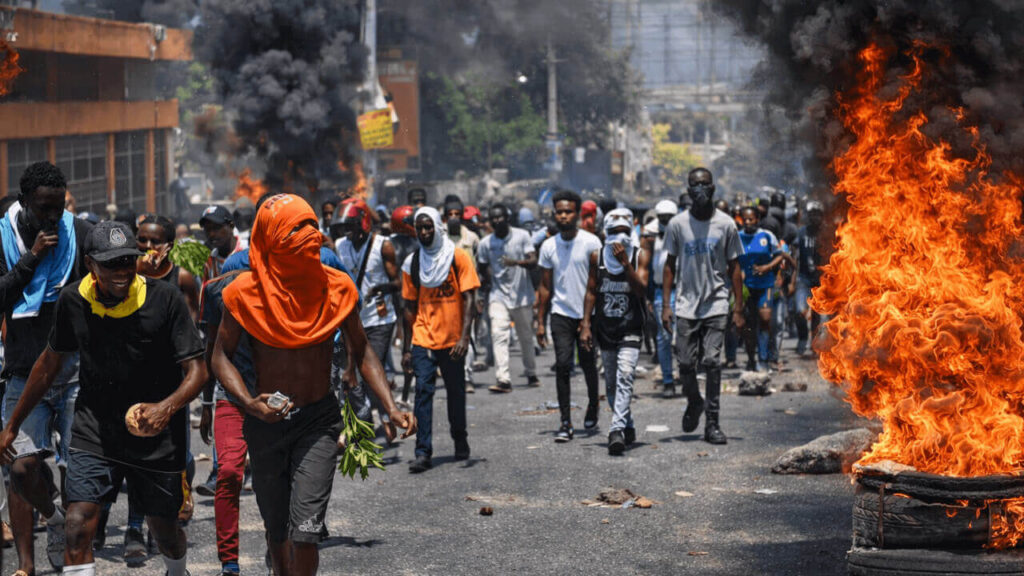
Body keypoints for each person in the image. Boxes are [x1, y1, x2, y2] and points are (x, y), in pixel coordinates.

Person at [211, 194, 414, 576]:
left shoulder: (337, 287)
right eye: (295, 228)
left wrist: (390, 405)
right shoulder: (242, 294)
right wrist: (250, 403)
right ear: (270, 237)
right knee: (277, 531)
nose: (310, 234)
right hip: (265, 425)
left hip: (318, 422)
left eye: (311, 225)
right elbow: (219, 356)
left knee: (305, 532)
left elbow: (363, 349)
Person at [0, 220, 207, 576]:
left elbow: (198, 372)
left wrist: (165, 408)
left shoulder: (165, 298)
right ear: (90, 263)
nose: (121, 271)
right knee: (78, 525)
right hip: (95, 427)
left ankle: (177, 571)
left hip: (155, 433)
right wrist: (12, 424)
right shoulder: (73, 301)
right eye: (110, 263)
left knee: (165, 530)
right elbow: (49, 365)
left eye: (127, 261)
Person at [0, 162, 91, 575]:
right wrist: (32, 259)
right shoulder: (1, 238)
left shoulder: (79, 234)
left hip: (75, 372)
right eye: (43, 209)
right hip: (23, 371)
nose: (53, 218)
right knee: (20, 470)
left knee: (80, 473)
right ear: (23, 203)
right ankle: (28, 559)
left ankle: (73, 556)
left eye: (59, 207)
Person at [662, 168, 744, 445]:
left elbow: (735, 267)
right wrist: (666, 305)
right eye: (695, 185)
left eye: (705, 184)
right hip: (686, 305)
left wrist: (739, 308)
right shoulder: (677, 224)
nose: (700, 189)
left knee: (712, 362)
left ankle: (712, 423)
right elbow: (669, 267)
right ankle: (694, 401)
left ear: (713, 187)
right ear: (688, 188)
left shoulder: (726, 224)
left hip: (717, 302)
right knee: (685, 364)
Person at [401, 207, 479, 473]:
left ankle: (460, 439)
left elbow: (470, 298)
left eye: (428, 227)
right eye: (419, 228)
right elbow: (409, 307)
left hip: (452, 339)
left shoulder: (457, 257)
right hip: (423, 336)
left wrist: (464, 337)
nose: (424, 232)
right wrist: (407, 347)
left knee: (456, 392)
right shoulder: (412, 263)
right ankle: (423, 452)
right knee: (423, 392)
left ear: (437, 226)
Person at [580, 209, 649, 455]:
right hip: (606, 329)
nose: (619, 237)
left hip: (630, 327)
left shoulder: (640, 255)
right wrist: (586, 324)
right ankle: (627, 424)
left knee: (626, 376)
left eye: (624, 232)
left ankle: (616, 430)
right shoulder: (596, 257)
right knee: (610, 386)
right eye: (614, 232)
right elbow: (591, 291)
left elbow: (641, 289)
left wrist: (625, 264)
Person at [537, 189, 603, 442]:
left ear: (576, 214)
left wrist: (586, 322)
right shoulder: (548, 246)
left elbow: (593, 286)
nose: (563, 216)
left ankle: (593, 405)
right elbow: (544, 287)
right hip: (560, 313)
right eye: (559, 212)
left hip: (587, 314)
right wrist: (540, 322)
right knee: (563, 365)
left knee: (588, 364)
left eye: (568, 212)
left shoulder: (591, 243)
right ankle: (565, 422)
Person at [333, 198, 401, 440]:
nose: (347, 232)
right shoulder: (340, 246)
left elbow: (398, 283)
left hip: (380, 320)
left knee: (370, 371)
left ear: (363, 222)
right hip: (353, 320)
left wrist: (381, 288)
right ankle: (369, 425)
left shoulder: (384, 246)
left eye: (351, 226)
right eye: (344, 227)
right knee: (355, 379)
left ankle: (381, 416)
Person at [477, 204, 539, 393]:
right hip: (498, 295)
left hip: (521, 295)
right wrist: (490, 278)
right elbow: (482, 265)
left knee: (525, 337)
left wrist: (517, 263)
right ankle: (503, 379)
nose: (497, 221)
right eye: (493, 218)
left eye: (500, 217)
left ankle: (531, 372)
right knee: (498, 335)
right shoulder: (486, 243)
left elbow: (533, 261)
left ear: (507, 217)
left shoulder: (522, 236)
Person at [737, 207, 787, 373]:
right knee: (748, 325)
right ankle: (751, 359)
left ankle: (764, 359)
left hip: (765, 284)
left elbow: (780, 255)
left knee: (765, 320)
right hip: (746, 287)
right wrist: (739, 274)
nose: (748, 222)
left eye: (751, 219)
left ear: (757, 219)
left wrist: (768, 267)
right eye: (745, 219)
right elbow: (732, 260)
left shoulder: (766, 235)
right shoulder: (738, 237)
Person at [137, 215, 199, 320]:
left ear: (169, 246)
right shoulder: (130, 272)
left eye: (155, 241)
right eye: (142, 240)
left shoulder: (182, 277)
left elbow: (192, 313)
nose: (148, 246)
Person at [648, 200, 679, 397]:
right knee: (664, 336)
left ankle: (686, 374)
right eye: (663, 218)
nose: (666, 221)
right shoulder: (652, 235)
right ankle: (668, 380)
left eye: (669, 218)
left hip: (682, 288)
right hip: (660, 290)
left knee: (682, 335)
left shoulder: (682, 232)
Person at [793, 200, 825, 356]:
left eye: (817, 214)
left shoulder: (826, 232)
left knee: (816, 314)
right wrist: (790, 279)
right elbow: (794, 255)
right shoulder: (801, 233)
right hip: (803, 278)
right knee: (800, 311)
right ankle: (802, 338)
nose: (815, 218)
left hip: (820, 280)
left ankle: (814, 343)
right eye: (812, 214)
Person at [200, 205, 247, 281]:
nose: (211, 234)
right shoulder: (209, 262)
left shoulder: (248, 251)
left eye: (217, 228)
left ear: (231, 226)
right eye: (207, 229)